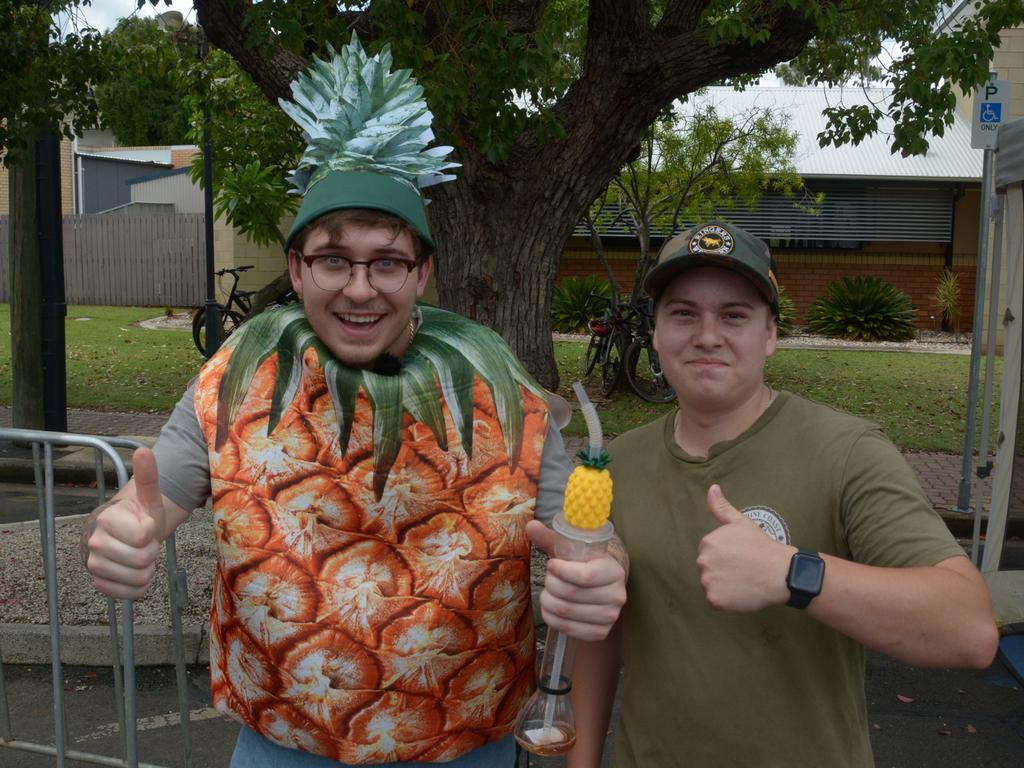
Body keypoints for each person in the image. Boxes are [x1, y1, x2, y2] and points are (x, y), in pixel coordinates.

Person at [81, 38, 626, 767]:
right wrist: (124, 528)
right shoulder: (235, 379)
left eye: (388, 262)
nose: (360, 288)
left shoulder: (505, 397)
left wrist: (603, 568)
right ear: (299, 270)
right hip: (282, 746)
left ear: (423, 272)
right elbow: (153, 500)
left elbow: (588, 536)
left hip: (466, 748)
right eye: (334, 258)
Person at [564, 221, 998, 767]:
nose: (706, 335)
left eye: (734, 315)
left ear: (770, 334)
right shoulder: (616, 464)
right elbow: (600, 632)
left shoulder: (846, 452)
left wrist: (795, 574)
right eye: (682, 313)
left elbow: (969, 629)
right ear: (655, 332)